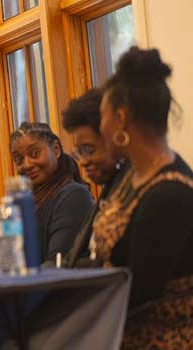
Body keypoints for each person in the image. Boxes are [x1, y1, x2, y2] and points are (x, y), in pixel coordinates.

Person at [91, 46, 193, 348]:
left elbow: (139, 292)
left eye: (101, 117)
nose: (100, 128)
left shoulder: (168, 196)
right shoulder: (133, 176)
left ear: (120, 119)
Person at [60, 88, 129, 267]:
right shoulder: (112, 187)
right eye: (79, 152)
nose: (82, 161)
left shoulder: (136, 187)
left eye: (90, 150)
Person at [8, 122, 93, 265]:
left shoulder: (74, 195)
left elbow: (56, 264)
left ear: (56, 149)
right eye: (19, 160)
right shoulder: (23, 202)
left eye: (34, 154)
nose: (27, 164)